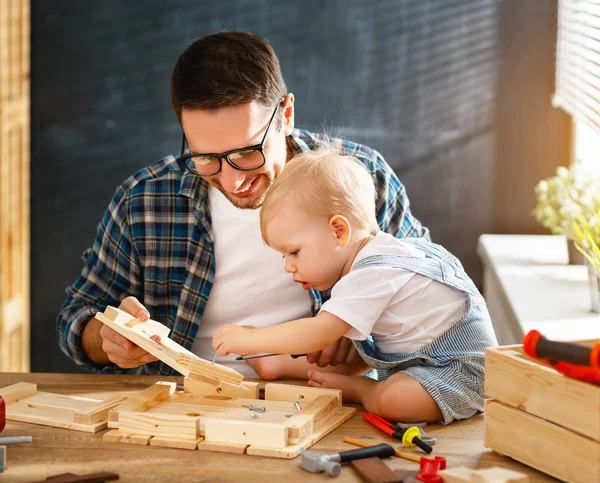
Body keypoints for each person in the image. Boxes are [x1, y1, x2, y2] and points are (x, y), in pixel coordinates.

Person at [56, 31, 429, 378]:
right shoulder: (144, 200)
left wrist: (363, 334)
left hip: (327, 406)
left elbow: (429, 288)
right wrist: (108, 337)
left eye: (247, 152)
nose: (233, 180)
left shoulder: (363, 179)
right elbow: (76, 315)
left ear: (285, 115)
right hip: (184, 408)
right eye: (206, 158)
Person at [212, 147, 498, 423]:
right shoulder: (386, 253)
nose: (288, 266)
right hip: (420, 362)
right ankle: (279, 362)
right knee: (354, 343)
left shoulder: (372, 272)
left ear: (339, 231)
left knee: (391, 400)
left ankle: (363, 390)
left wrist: (251, 339)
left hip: (459, 373)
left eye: (294, 252)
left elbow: (318, 332)